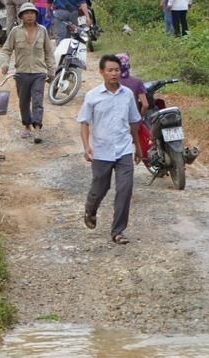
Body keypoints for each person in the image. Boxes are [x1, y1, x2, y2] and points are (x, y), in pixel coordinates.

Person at [78, 54, 142, 245]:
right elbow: (84, 123)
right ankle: (91, 209)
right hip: (102, 151)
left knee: (125, 189)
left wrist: (138, 146)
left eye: (117, 70)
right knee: (100, 187)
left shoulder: (128, 95)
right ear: (101, 72)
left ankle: (118, 231)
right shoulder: (93, 96)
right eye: (110, 70)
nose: (114, 74)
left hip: (123, 150)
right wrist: (86, 147)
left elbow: (134, 122)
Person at [1, 2, 56, 143]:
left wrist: (51, 71)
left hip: (39, 72)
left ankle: (37, 128)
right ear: (21, 16)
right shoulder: (15, 31)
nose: (30, 16)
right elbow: (7, 49)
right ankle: (27, 125)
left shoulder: (42, 30)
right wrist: (5, 63)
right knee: (23, 101)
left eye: (32, 13)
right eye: (26, 13)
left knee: (37, 101)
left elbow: (49, 52)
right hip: (22, 72)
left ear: (36, 15)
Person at [116, 53, 148, 117]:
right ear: (129, 66)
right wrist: (140, 118)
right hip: (133, 119)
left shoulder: (112, 82)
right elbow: (145, 105)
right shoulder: (137, 81)